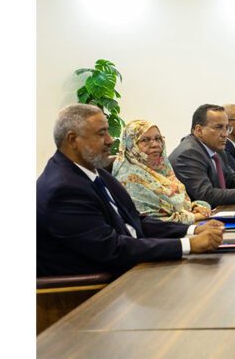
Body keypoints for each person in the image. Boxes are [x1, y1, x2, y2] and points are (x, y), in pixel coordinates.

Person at [37, 104, 224, 277]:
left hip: (131, 268)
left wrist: (193, 229)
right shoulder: (63, 189)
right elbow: (112, 249)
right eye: (101, 134)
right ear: (72, 140)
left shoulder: (96, 172)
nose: (110, 140)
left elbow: (135, 220)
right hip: (94, 288)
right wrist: (188, 244)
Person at [169, 104, 235, 207]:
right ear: (199, 130)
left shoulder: (215, 147)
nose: (225, 134)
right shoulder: (189, 154)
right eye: (218, 127)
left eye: (227, 128)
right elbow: (206, 195)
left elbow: (231, 178)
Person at [112, 120, 212, 224]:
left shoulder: (161, 171)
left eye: (158, 138)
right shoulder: (128, 179)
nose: (155, 144)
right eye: (145, 140)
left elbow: (179, 206)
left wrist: (196, 207)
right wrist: (194, 217)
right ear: (131, 145)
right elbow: (151, 222)